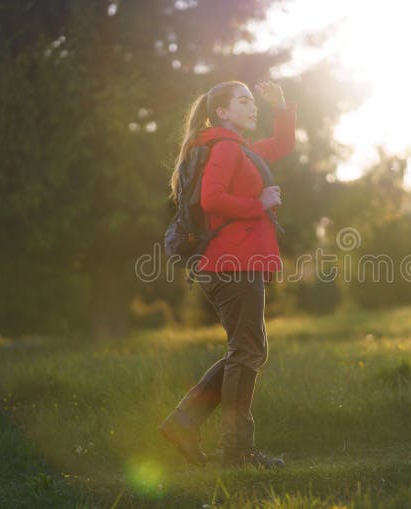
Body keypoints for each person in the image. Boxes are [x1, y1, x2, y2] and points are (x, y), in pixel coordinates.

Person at [159, 79, 295, 469]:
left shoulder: (242, 149)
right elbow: (211, 198)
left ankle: (185, 424)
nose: (253, 107)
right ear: (221, 112)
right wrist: (259, 202)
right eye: (244, 102)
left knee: (247, 350)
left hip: (234, 263)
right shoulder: (224, 148)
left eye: (253, 102)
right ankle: (237, 450)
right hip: (231, 264)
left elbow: (282, 145)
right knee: (248, 351)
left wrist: (281, 106)